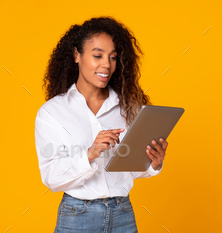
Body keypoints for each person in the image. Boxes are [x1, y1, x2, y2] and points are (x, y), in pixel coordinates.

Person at [34, 16, 169, 233]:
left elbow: (131, 170)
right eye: (97, 55)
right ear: (76, 55)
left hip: (123, 213)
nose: (106, 64)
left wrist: (153, 162)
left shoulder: (129, 107)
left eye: (113, 57)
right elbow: (51, 178)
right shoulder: (52, 112)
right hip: (77, 216)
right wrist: (90, 153)